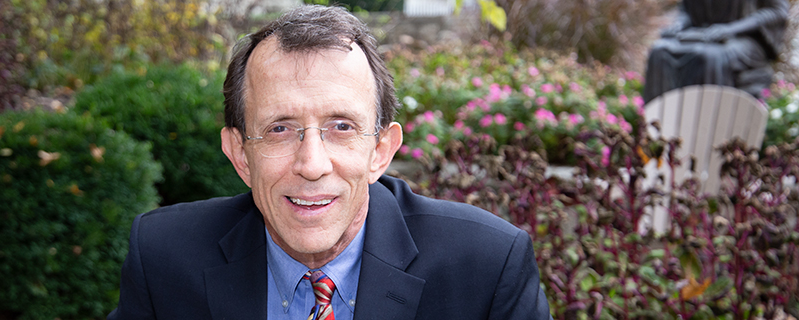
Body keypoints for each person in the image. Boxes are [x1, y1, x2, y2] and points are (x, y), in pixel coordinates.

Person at [108, 5, 551, 319]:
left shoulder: (487, 267)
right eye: (280, 128)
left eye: (341, 127)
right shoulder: (164, 257)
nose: (312, 164)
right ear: (240, 154)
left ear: (381, 150)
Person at [642, 0, 789, 103]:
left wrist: (731, 29)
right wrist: (679, 24)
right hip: (703, 34)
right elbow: (686, 10)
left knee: (709, 57)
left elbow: (777, 12)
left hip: (745, 38)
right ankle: (655, 134)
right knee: (660, 52)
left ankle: (712, 134)